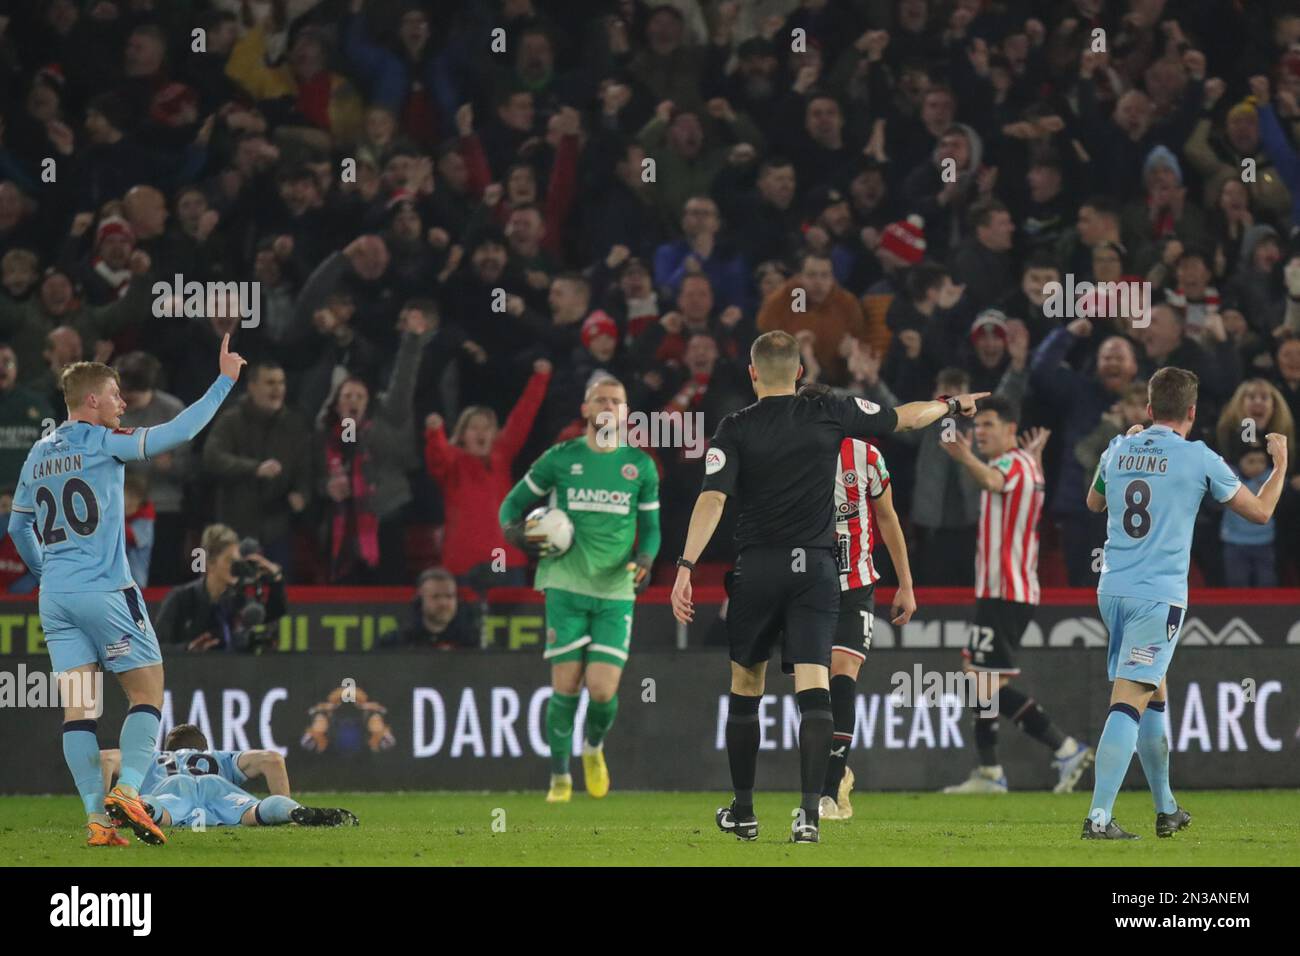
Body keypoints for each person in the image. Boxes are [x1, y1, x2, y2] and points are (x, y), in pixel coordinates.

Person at [670, 330, 985, 843]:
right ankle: (809, 817)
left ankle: (745, 813)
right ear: (798, 373)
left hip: (758, 568)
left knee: (747, 686)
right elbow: (904, 416)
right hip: (816, 572)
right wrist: (952, 403)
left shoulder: (734, 428)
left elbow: (712, 499)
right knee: (815, 687)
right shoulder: (830, 412)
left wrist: (686, 564)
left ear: (753, 374)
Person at [6, 334, 245, 848]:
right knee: (146, 693)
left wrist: (45, 571)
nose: (122, 403)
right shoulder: (102, 441)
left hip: (56, 598)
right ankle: (131, 790)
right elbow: (179, 431)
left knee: (80, 710)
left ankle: (97, 821)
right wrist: (224, 381)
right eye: (115, 394)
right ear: (91, 400)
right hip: (107, 590)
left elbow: (17, 528)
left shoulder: (37, 455)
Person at [1083, 368, 1288, 839]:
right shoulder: (1199, 458)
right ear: (1192, 413)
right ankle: (1097, 818)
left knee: (1155, 696)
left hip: (1112, 590)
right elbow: (1260, 513)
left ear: (1149, 409)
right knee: (1130, 700)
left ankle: (1166, 808)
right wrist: (1279, 465)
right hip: (1157, 597)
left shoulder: (1118, 448)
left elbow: (1093, 503)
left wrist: (1123, 446)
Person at [498, 377, 660, 804]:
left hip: (614, 589)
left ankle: (592, 748)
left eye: (617, 401)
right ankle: (558, 776)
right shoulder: (560, 459)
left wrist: (645, 560)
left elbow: (653, 532)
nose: (608, 406)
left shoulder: (639, 467)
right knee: (566, 686)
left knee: (603, 689)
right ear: (586, 408)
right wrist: (521, 540)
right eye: (600, 400)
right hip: (565, 585)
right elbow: (509, 509)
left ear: (626, 413)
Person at [939, 397, 1094, 794]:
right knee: (979, 676)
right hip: (1006, 590)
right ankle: (991, 771)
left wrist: (963, 457)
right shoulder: (1027, 465)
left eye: (990, 424)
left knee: (981, 680)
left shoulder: (1006, 465)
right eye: (979, 426)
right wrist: (1035, 457)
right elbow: (1030, 486)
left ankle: (1064, 748)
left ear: (1011, 429)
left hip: (1005, 590)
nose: (980, 433)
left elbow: (992, 481)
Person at [818, 438, 916, 822]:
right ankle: (833, 776)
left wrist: (905, 584)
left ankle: (827, 794)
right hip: (806, 588)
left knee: (843, 673)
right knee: (814, 688)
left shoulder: (866, 456)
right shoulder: (788, 450)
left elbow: (888, 517)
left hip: (855, 589)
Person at [98, 723, 357, 836]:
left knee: (155, 805)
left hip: (172, 789)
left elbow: (106, 759)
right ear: (204, 748)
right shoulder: (219, 758)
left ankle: (140, 810)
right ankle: (293, 811)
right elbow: (273, 759)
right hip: (218, 788)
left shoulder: (154, 757)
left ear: (169, 748)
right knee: (255, 811)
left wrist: (99, 813)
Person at [154, 523, 286, 653]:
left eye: (237, 561)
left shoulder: (238, 600)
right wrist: (188, 649)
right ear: (210, 562)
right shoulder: (181, 598)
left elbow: (275, 612)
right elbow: (155, 648)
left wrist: (275, 579)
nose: (235, 567)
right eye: (230, 561)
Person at [381, 567, 479, 649]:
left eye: (449, 596)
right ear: (420, 600)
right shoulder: (395, 643)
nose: (443, 603)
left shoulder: (471, 644)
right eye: (435, 596)